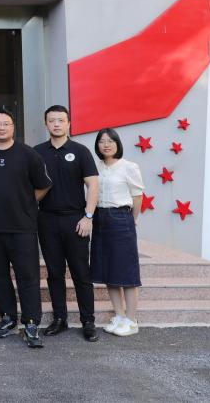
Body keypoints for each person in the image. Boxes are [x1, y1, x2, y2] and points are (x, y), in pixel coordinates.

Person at [0, 107, 53, 348]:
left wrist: (26, 202)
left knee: (27, 276)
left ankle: (31, 322)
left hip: (22, 227)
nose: (1, 127)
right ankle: (8, 317)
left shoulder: (28, 154)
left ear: (13, 127)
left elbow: (43, 185)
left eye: (6, 124)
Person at [34, 105, 100, 342]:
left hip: (76, 220)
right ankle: (60, 318)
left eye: (61, 120)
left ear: (69, 123)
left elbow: (93, 185)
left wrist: (88, 216)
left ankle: (88, 321)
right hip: (47, 219)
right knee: (54, 273)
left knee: (81, 273)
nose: (56, 124)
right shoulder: (37, 152)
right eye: (52, 120)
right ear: (46, 124)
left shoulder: (81, 151)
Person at [91, 127, 145, 337]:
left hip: (121, 217)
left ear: (117, 143)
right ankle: (120, 315)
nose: (106, 145)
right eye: (102, 141)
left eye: (110, 141)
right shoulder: (96, 167)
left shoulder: (129, 167)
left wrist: (131, 221)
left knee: (126, 271)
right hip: (100, 218)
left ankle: (131, 320)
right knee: (108, 271)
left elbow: (137, 197)